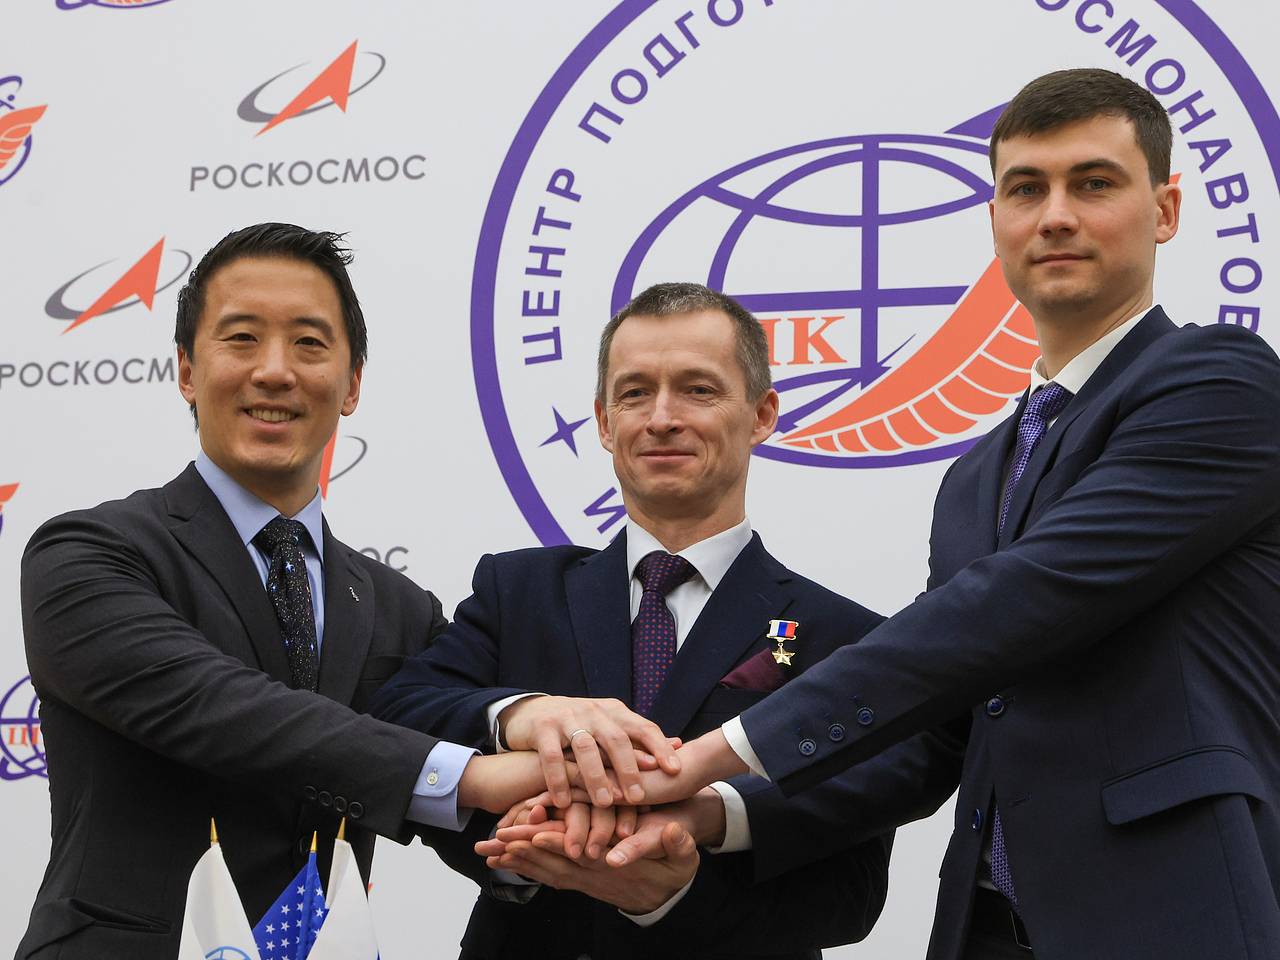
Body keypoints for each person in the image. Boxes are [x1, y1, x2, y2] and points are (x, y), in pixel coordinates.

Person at [615, 68, 1280, 960]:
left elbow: (1020, 601)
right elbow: (942, 730)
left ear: (1164, 210)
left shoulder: (1222, 383)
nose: (1055, 216)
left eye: (1093, 183)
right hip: (987, 927)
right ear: (996, 220)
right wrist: (708, 813)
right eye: (1026, 189)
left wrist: (714, 751)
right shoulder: (974, 478)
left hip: (1169, 917)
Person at [371, 283, 960, 960]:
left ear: (762, 414)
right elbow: (396, 723)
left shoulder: (844, 639)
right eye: (634, 393)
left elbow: (848, 897)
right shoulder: (517, 592)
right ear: (603, 422)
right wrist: (526, 725)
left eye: (697, 390)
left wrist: (667, 896)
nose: (661, 418)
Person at [16, 223, 555, 960]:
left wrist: (546, 838)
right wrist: (476, 774)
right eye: (241, 339)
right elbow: (222, 710)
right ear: (186, 370)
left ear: (352, 383)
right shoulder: (88, 555)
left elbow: (463, 810)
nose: (274, 371)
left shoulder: (401, 609)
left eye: (308, 343)